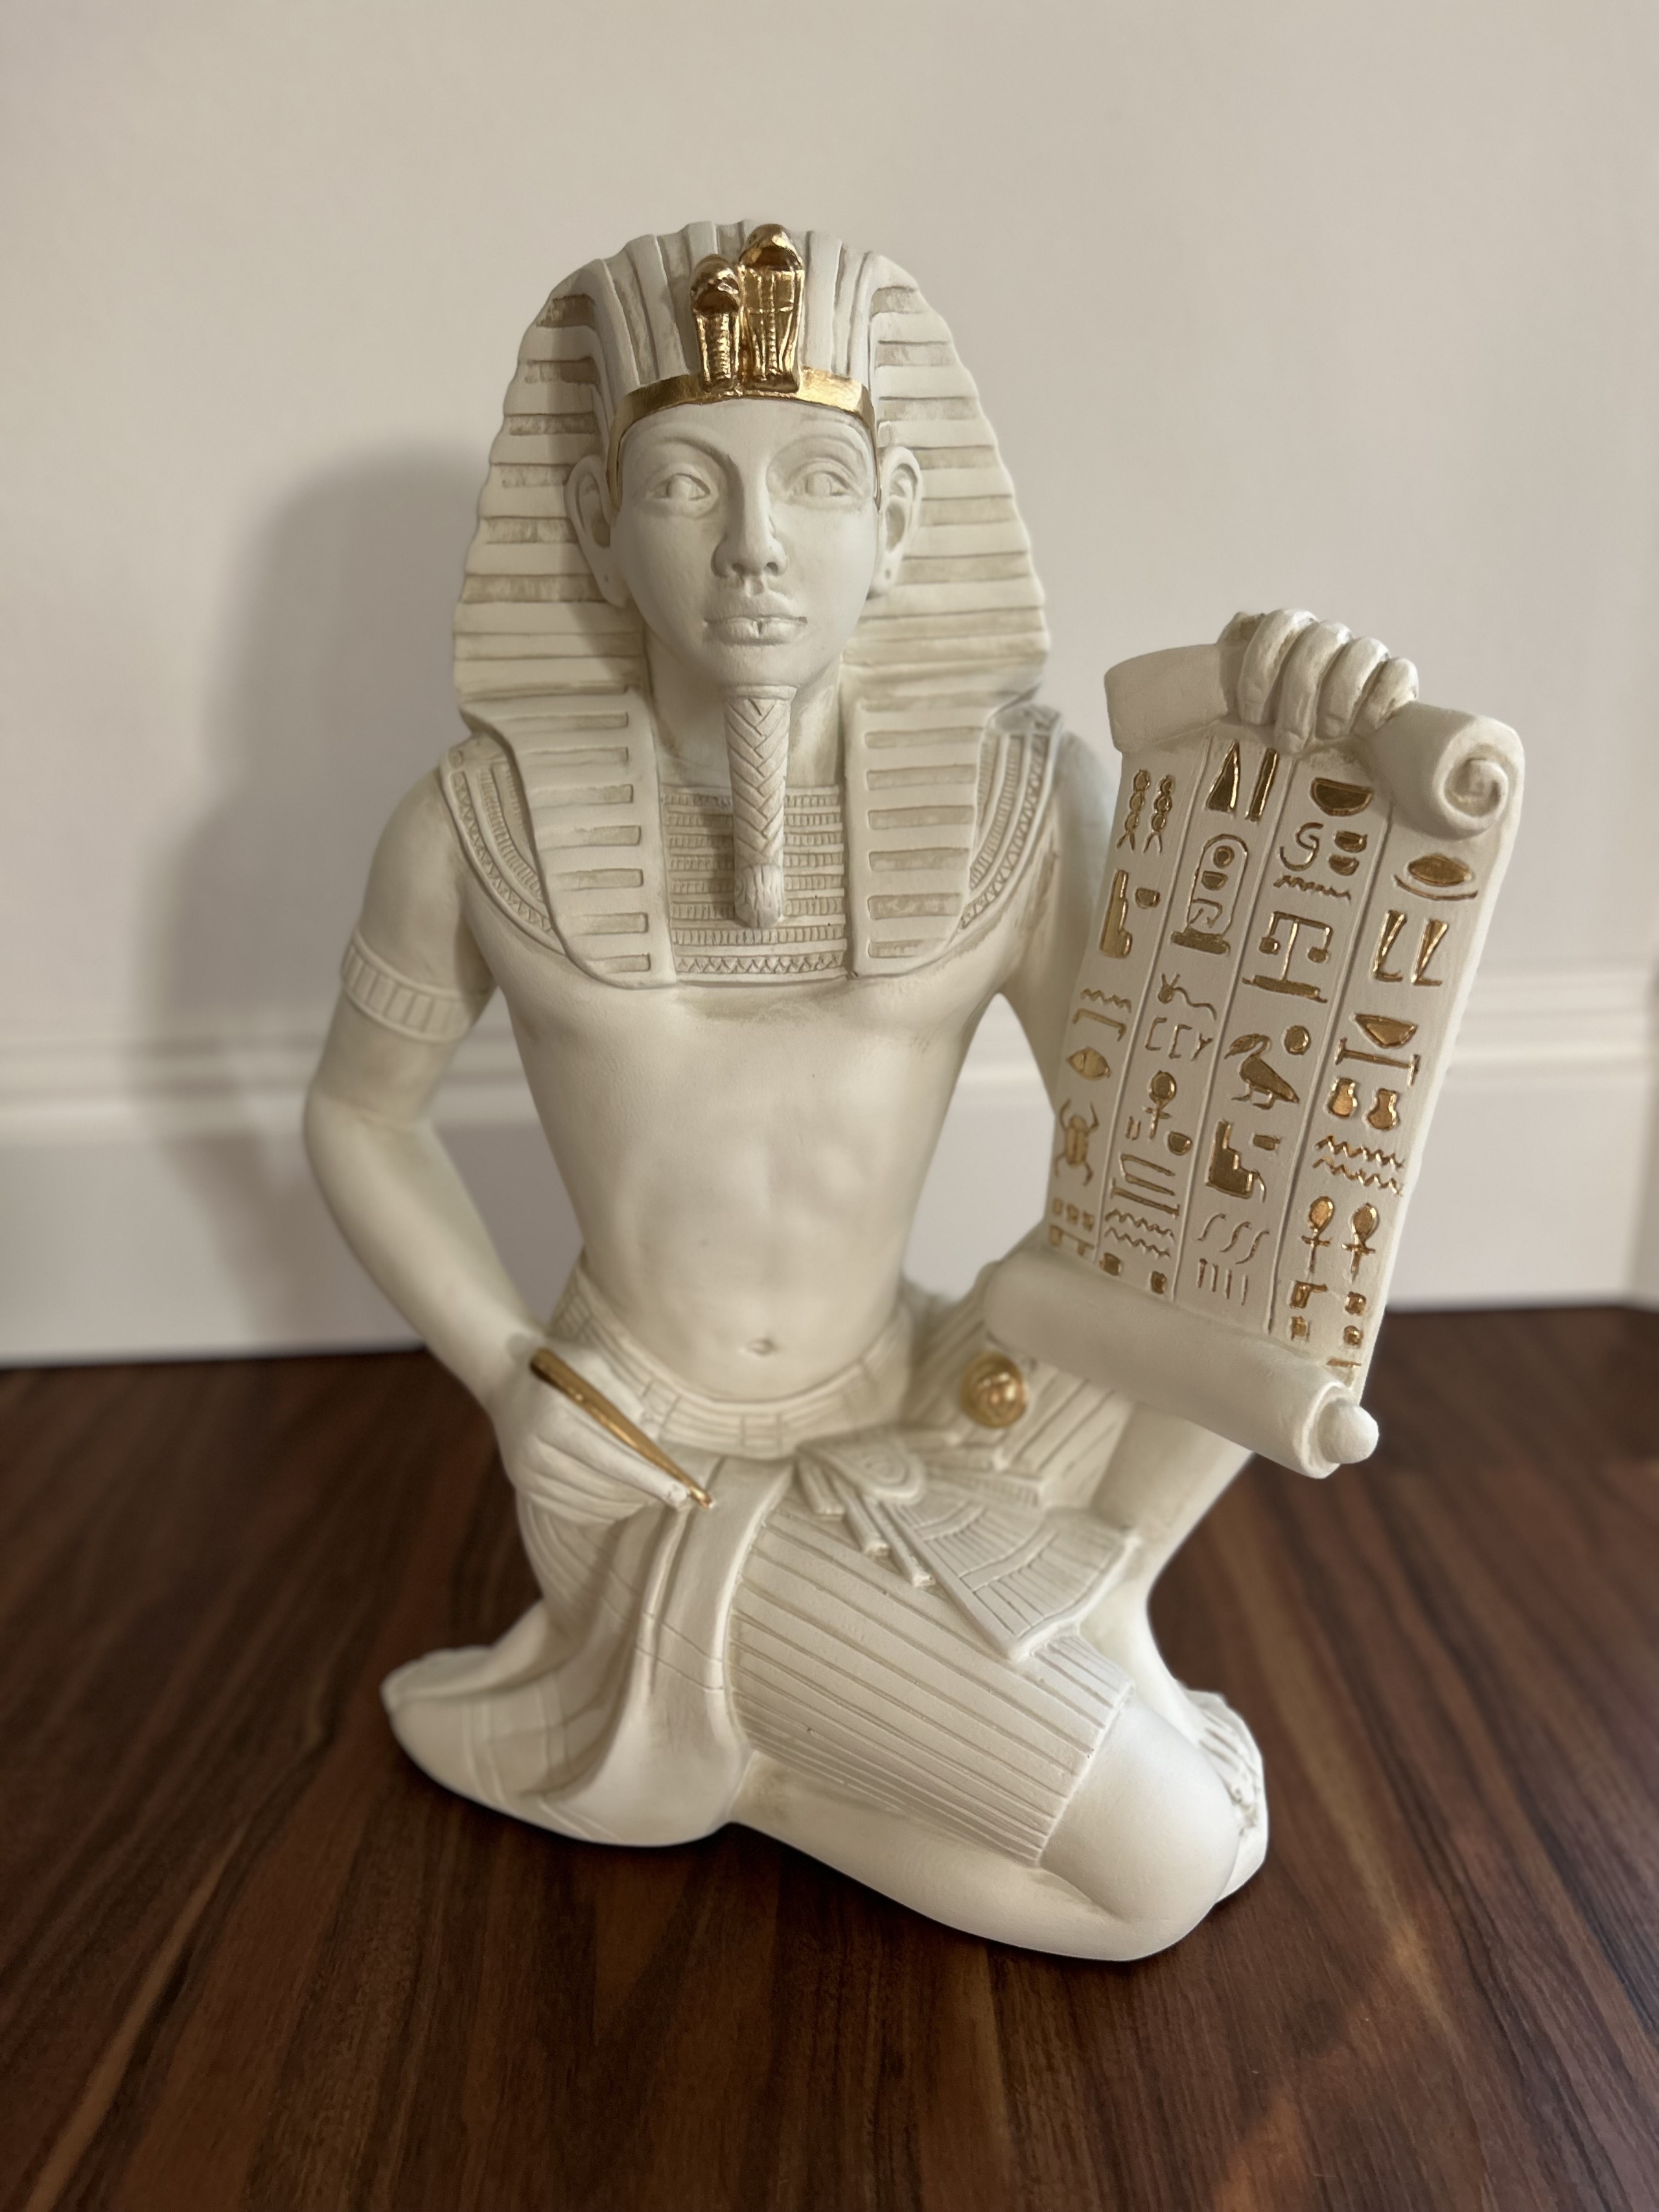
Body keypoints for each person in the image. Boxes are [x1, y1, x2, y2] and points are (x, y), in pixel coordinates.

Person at [305, 222, 1412, 1957]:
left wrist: (1292, 770)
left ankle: (1087, 1612)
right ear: (594, 522)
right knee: (1158, 1876)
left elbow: (1181, 1150)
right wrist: (511, 1373)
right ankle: (729, 1737)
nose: (754, 546)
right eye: (685, 486)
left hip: (919, 1385)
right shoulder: (477, 824)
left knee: (1257, 1259)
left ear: (898, 519)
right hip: (651, 1464)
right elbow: (360, 1114)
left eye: (816, 481)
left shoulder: (1019, 803)